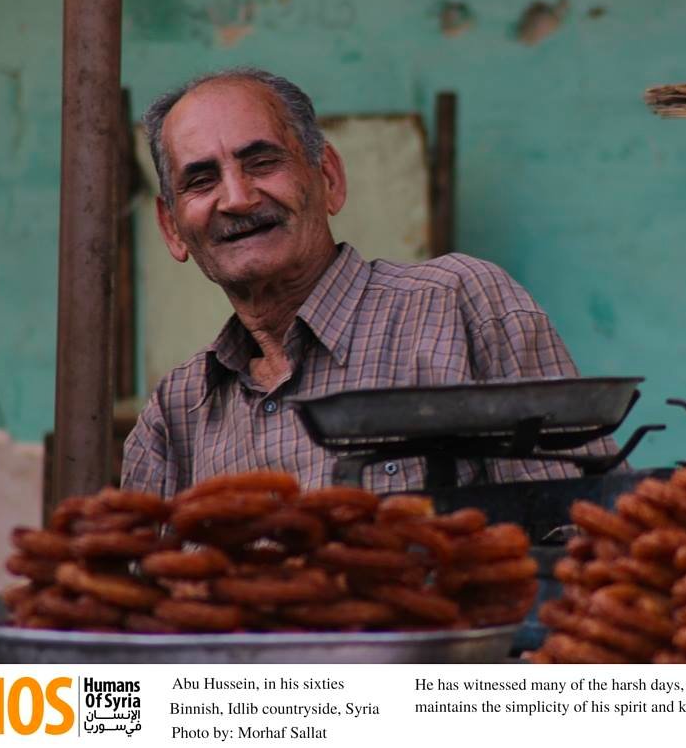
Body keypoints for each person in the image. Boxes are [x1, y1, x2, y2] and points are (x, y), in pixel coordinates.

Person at [122, 67, 617, 497]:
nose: (237, 198)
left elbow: (581, 538)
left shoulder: (461, 304)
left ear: (329, 179)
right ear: (172, 228)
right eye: (202, 180)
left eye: (263, 162)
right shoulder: (175, 414)